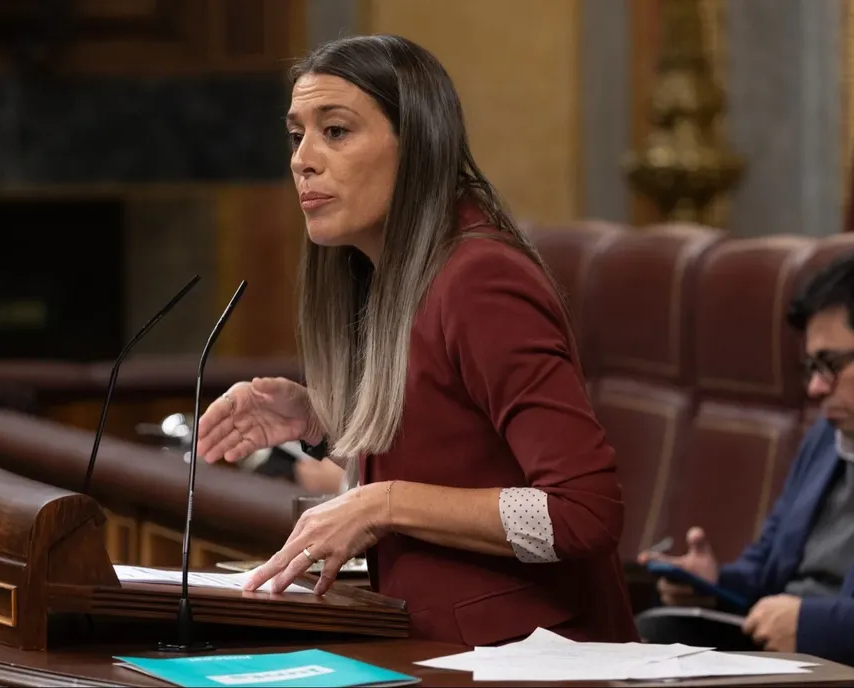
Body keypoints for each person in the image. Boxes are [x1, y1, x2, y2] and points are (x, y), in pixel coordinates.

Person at [195, 34, 637, 646]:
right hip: (438, 649)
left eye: (336, 131)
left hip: (533, 658)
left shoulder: (481, 279)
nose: (303, 160)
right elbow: (457, 454)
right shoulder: (395, 273)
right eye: (297, 136)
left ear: (418, 145)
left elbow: (581, 512)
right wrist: (318, 420)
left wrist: (381, 505)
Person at [637, 254, 854, 666]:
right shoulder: (825, 438)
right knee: (653, 638)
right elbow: (765, 568)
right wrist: (712, 584)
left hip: (833, 665)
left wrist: (809, 625)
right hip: (778, 654)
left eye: (830, 365)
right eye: (811, 367)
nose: (815, 388)